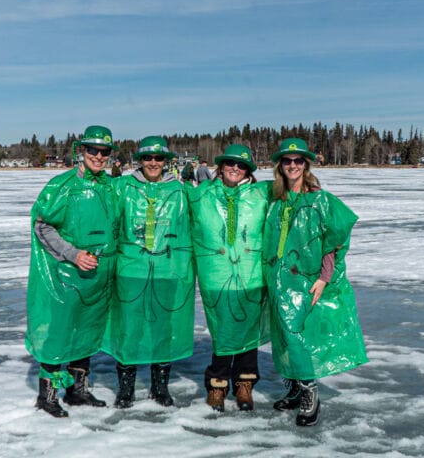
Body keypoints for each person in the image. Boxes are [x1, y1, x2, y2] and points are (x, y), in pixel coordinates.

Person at [262, 137, 368, 427]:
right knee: (284, 335)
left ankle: (310, 392)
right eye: (287, 161)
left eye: (298, 161)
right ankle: (295, 389)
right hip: (277, 279)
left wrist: (324, 278)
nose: (292, 165)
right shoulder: (276, 198)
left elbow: (332, 241)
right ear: (280, 165)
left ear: (305, 164)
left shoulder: (320, 199)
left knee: (297, 336)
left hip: (305, 281)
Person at [26, 125, 120, 418]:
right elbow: (43, 225)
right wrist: (73, 254)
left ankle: (77, 391)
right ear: (82, 151)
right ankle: (47, 395)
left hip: (98, 276)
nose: (99, 156)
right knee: (59, 331)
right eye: (93, 150)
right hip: (66, 276)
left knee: (88, 328)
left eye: (105, 152)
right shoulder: (62, 185)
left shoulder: (110, 187)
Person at [104, 136, 195, 408]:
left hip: (167, 271)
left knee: (162, 329)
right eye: (147, 158)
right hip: (131, 271)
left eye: (158, 159)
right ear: (139, 160)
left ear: (166, 161)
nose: (153, 163)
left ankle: (160, 387)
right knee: (129, 328)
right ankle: (126, 388)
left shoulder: (180, 191)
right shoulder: (121, 188)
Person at [188, 144, 270, 412]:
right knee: (223, 329)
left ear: (248, 170)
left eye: (242, 165)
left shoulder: (261, 195)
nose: (236, 168)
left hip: (251, 273)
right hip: (216, 274)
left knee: (249, 328)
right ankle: (217, 384)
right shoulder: (201, 195)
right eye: (230, 163)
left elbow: (293, 196)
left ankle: (244, 385)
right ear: (221, 166)